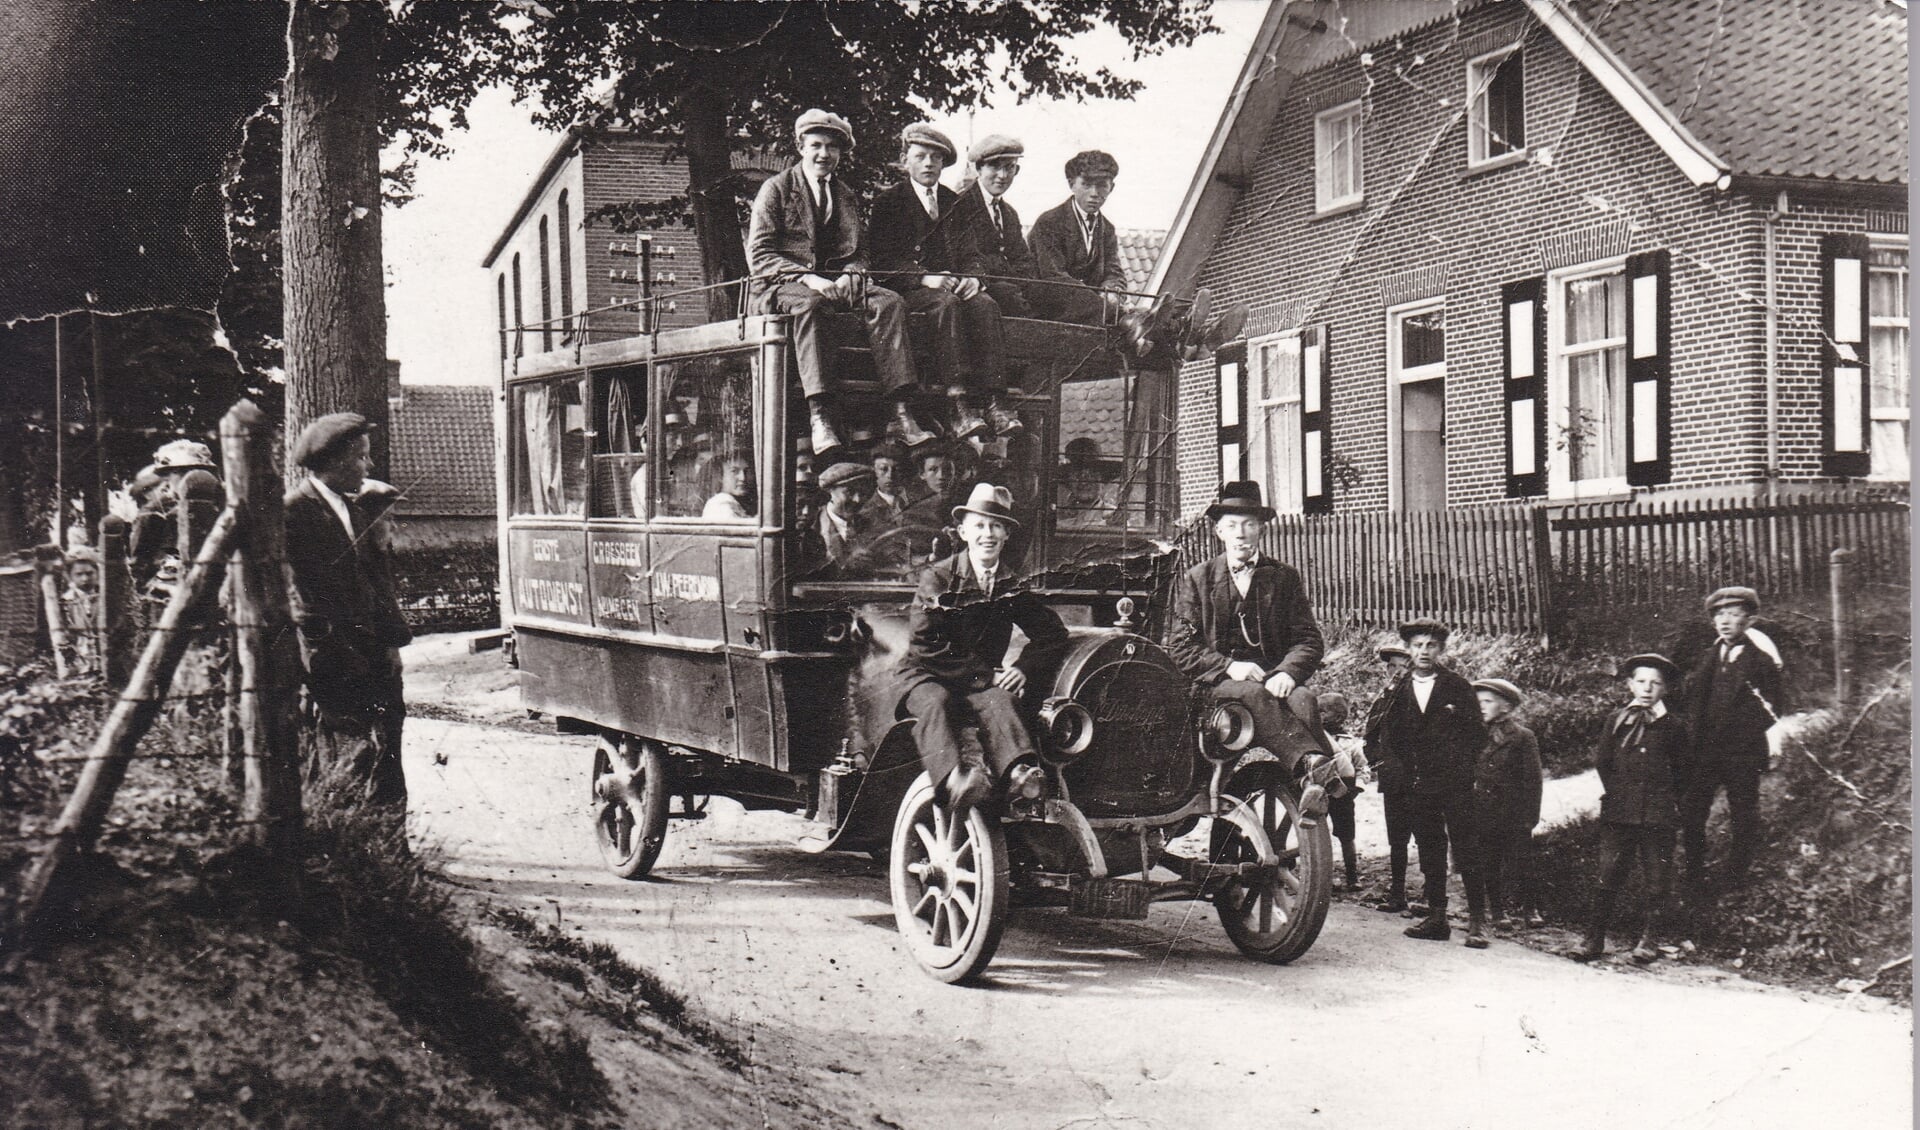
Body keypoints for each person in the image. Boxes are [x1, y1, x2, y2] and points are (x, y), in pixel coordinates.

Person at [747, 108, 933, 458]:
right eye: (816, 145)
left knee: (889, 302)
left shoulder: (844, 194)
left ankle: (901, 411)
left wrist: (853, 273)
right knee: (810, 305)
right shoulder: (776, 189)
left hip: (836, 284)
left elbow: (861, 253)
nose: (824, 154)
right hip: (782, 286)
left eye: (832, 148)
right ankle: (820, 415)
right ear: (800, 146)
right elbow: (759, 256)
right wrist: (808, 277)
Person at [1166, 482, 1342, 808]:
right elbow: (1180, 647)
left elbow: (1308, 639)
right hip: (1215, 687)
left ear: (1261, 529)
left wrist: (1288, 673)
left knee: (1303, 699)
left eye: (1249, 525)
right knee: (1251, 692)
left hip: (1271, 680)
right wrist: (1230, 666)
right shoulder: (1198, 578)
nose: (1241, 533)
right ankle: (1315, 767)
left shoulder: (1283, 577)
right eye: (1232, 525)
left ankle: (1315, 791)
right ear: (1219, 531)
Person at [898, 483, 1069, 810]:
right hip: (926, 674)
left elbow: (1052, 633)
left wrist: (1022, 667)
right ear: (963, 532)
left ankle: (1021, 775)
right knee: (938, 702)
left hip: (978, 681)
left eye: (996, 526)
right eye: (979, 526)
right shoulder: (939, 578)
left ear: (1006, 534)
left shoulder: (1009, 584)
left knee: (1002, 700)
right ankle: (955, 781)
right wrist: (984, 675)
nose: (987, 534)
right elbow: (925, 642)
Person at [284, 413, 413, 817]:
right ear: (336, 460)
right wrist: (327, 654)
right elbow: (301, 597)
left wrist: (392, 643)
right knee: (349, 753)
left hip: (374, 655)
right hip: (335, 659)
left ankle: (393, 847)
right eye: (361, 458)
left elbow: (376, 582)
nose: (368, 467)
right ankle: (350, 844)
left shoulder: (354, 509)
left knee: (389, 746)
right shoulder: (294, 512)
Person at [867, 123, 1022, 441]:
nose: (928, 164)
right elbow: (881, 261)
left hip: (951, 286)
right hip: (909, 290)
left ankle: (995, 401)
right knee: (946, 304)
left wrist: (974, 278)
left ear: (943, 164)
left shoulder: (954, 203)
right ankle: (957, 401)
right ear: (904, 160)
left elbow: (971, 253)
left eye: (935, 159)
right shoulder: (888, 203)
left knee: (985, 304)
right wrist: (924, 276)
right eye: (920, 156)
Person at [1374, 618, 1489, 947]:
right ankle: (1437, 917)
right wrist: (1404, 771)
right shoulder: (1398, 689)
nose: (1424, 651)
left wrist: (1462, 771)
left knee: (1466, 847)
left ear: (1441, 649)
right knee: (1430, 848)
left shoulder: (1457, 687)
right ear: (1409, 650)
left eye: (1431, 646)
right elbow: (1390, 736)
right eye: (1418, 645)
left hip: (1455, 784)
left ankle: (1477, 922)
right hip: (1419, 786)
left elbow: (1477, 735)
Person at [1572, 654, 1691, 964]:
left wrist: (1665, 800)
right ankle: (1593, 939)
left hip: (1658, 814)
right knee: (1608, 875)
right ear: (1629, 684)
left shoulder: (1675, 725)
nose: (1647, 688)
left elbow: (1684, 771)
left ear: (1665, 688)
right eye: (1640, 681)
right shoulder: (1617, 719)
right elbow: (1603, 762)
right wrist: (1619, 793)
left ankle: (1649, 940)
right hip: (1620, 813)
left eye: (1655, 683)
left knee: (1657, 878)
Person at [1680, 586, 1785, 890]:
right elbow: (1695, 702)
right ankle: (1694, 871)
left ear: (1750, 620)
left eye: (1734, 614)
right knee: (1693, 810)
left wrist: (1742, 737)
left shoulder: (1761, 662)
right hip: (1705, 752)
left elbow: (1773, 707)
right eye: (1719, 615)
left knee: (1743, 812)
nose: (1725, 621)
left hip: (1742, 752)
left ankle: (1736, 874)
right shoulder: (1709, 657)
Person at [1471, 677, 1544, 931]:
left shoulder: (1522, 737)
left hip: (1512, 812)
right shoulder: (1473, 733)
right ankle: (1497, 910)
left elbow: (1532, 780)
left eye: (1488, 701)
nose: (1481, 706)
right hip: (1483, 811)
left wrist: (1529, 817)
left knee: (1522, 861)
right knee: (1488, 862)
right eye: (1478, 701)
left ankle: (1530, 908)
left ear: (1505, 707)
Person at [1027, 150, 1127, 325]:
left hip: (1093, 310)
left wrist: (1112, 292)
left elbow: (1113, 270)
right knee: (1126, 324)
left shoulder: (1107, 229)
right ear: (1072, 184)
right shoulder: (1049, 222)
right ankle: (1130, 321)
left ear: (1112, 187)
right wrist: (1102, 304)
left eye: (1102, 185)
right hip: (1050, 310)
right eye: (1086, 184)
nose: (1095, 193)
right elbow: (1053, 276)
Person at [947, 133, 1040, 318]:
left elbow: (1023, 258)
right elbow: (962, 259)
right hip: (979, 288)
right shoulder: (959, 207)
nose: (1003, 176)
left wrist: (1027, 282)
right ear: (979, 169)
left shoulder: (1009, 213)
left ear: (1017, 170)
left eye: (1010, 168)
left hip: (1011, 285)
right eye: (995, 167)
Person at [1364, 642, 1416, 912]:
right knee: (1397, 840)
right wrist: (1378, 761)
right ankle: (1397, 894)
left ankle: (1432, 898)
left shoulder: (1420, 697)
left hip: (1420, 778)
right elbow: (1370, 734)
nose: (1396, 671)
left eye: (1403, 666)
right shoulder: (1384, 698)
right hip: (1393, 778)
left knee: (1427, 837)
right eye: (1392, 666)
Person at [1316, 691, 1370, 891]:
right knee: (1318, 836)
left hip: (1344, 794)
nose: (1318, 715)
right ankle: (1322, 879)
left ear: (1338, 717)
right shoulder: (1313, 739)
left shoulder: (1350, 743)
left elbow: (1363, 768)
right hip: (1319, 792)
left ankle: (1352, 876)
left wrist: (1358, 787)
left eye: (1323, 711)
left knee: (1347, 836)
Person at [816, 461, 877, 575]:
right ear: (830, 491)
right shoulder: (814, 525)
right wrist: (846, 565)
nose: (857, 500)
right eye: (850, 492)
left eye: (863, 493)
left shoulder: (872, 523)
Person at [862, 442, 920, 526]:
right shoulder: (866, 513)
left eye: (897, 469)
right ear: (874, 471)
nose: (890, 475)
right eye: (883, 469)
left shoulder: (918, 500)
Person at [702, 454, 756, 522]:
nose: (743, 478)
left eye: (746, 471)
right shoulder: (721, 506)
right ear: (720, 476)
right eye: (734, 471)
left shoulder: (734, 503)